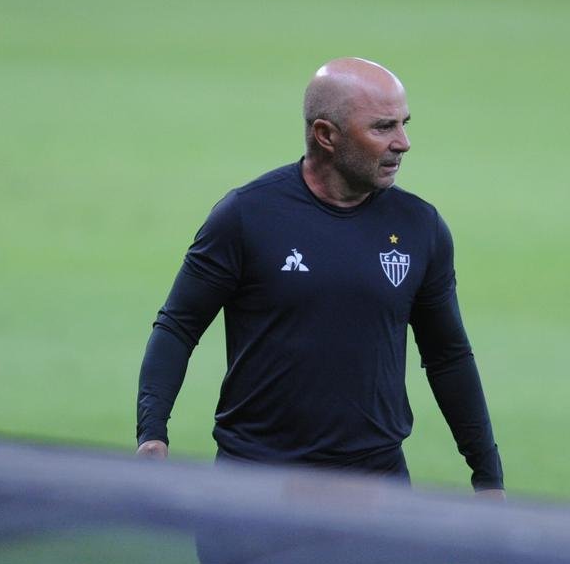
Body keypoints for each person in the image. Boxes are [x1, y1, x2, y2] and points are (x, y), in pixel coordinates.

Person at [137, 59, 503, 527]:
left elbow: (448, 355)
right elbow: (179, 326)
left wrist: (487, 476)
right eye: (383, 127)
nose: (403, 143)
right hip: (254, 486)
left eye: (404, 124)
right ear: (326, 135)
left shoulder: (420, 227)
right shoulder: (246, 216)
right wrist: (152, 432)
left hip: (375, 487)